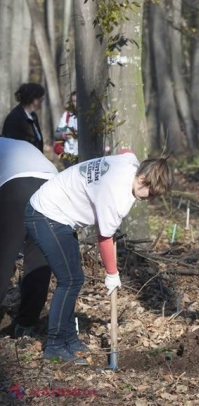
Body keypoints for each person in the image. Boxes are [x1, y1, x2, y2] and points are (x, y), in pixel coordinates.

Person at [24, 153, 174, 364]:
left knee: (74, 279)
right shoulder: (116, 196)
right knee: (69, 281)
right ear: (142, 179)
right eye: (150, 193)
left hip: (59, 216)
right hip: (46, 214)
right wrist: (112, 273)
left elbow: (127, 151)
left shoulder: (130, 163)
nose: (149, 199)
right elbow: (104, 238)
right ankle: (55, 346)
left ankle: (69, 338)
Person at [0, 138, 57, 338]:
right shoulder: (15, 143)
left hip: (18, 185)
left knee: (4, 258)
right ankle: (26, 324)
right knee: (39, 258)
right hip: (53, 187)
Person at [2, 83, 46, 152]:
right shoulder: (14, 118)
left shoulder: (33, 116)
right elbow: (12, 148)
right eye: (40, 97)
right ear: (32, 99)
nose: (42, 99)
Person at [54, 91, 79, 168]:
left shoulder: (88, 116)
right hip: (69, 155)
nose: (76, 103)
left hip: (84, 154)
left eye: (77, 101)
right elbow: (57, 134)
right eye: (74, 101)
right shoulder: (67, 115)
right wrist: (64, 135)